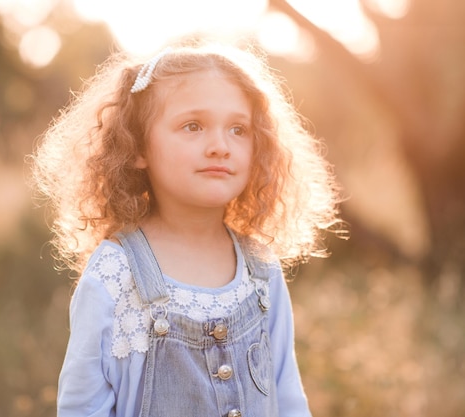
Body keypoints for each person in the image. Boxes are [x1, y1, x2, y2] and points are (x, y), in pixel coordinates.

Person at [31, 37, 344, 417]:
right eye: (193, 126)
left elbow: (288, 396)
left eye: (238, 130)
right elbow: (82, 408)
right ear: (137, 148)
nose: (219, 146)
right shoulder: (115, 274)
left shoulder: (260, 269)